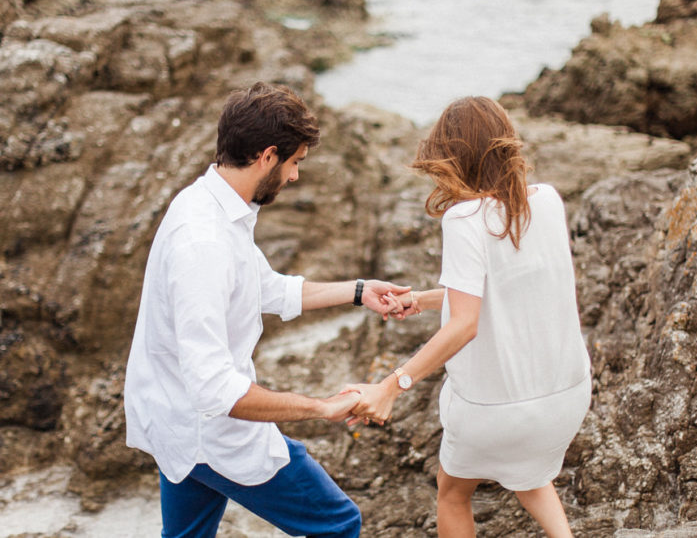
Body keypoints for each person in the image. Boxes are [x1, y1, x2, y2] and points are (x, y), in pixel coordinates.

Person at [124, 82, 412, 538]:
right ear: (267, 156)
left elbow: (266, 289)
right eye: (295, 162)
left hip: (173, 419)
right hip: (211, 432)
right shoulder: (204, 241)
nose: (295, 176)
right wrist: (321, 409)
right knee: (338, 523)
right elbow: (216, 390)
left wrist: (359, 291)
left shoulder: (210, 204)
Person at [346, 96, 592, 537]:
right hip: (567, 398)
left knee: (453, 491)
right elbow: (503, 289)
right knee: (531, 473)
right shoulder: (549, 203)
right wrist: (420, 300)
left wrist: (391, 386)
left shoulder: (464, 218)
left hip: (496, 413)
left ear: (453, 157)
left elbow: (466, 322)